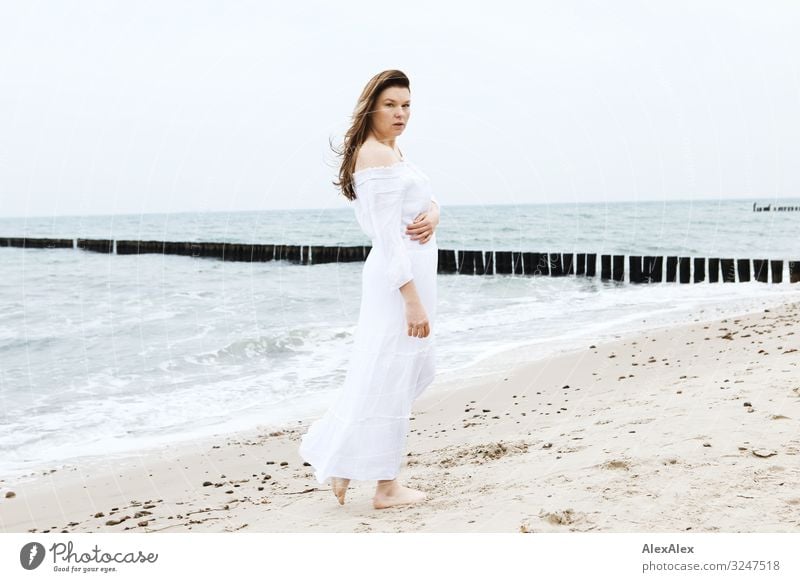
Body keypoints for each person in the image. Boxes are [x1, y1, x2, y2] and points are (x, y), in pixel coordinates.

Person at [298, 70, 440, 509]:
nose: (401, 114)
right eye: (391, 105)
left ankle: (343, 461)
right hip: (398, 284)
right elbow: (388, 237)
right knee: (392, 375)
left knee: (405, 372)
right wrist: (411, 300)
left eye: (406, 105)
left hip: (413, 278)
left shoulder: (393, 150)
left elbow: (418, 202)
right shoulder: (375, 156)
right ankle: (385, 486)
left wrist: (434, 213)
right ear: (371, 108)